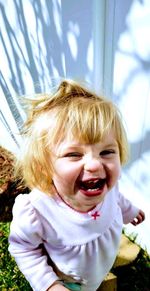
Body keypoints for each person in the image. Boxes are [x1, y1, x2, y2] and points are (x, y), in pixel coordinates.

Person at [9, 80, 145, 291]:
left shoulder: (107, 187)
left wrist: (130, 211)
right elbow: (23, 249)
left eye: (107, 152)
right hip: (70, 282)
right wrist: (50, 285)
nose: (94, 164)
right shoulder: (38, 210)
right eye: (73, 154)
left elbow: (116, 198)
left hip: (98, 268)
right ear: (43, 166)